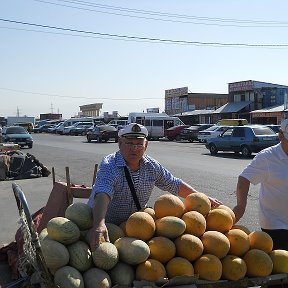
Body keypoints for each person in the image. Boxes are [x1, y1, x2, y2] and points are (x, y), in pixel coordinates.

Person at [88, 123, 221, 251]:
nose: (134, 148)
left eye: (139, 144)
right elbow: (103, 193)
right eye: (129, 143)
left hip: (138, 227)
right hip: (108, 226)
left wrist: (202, 198)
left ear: (146, 145)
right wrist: (99, 223)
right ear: (120, 143)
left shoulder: (151, 166)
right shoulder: (109, 164)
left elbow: (174, 184)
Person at [233, 118, 288, 251]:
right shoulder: (267, 157)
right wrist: (241, 207)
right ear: (280, 136)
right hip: (276, 226)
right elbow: (244, 179)